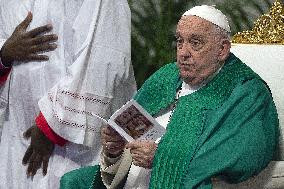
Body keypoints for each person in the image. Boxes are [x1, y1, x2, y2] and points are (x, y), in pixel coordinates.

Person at [60, 5, 279, 189]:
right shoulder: (167, 76)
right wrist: (114, 152)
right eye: (180, 41)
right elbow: (130, 139)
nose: (183, 52)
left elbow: (243, 156)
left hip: (180, 181)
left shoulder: (246, 92)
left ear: (222, 49)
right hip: (133, 179)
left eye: (195, 43)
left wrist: (161, 158)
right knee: (73, 182)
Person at [0, 0, 136, 188]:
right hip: (15, 131)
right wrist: (4, 53)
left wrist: (51, 125)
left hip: (70, 143)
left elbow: (103, 54)